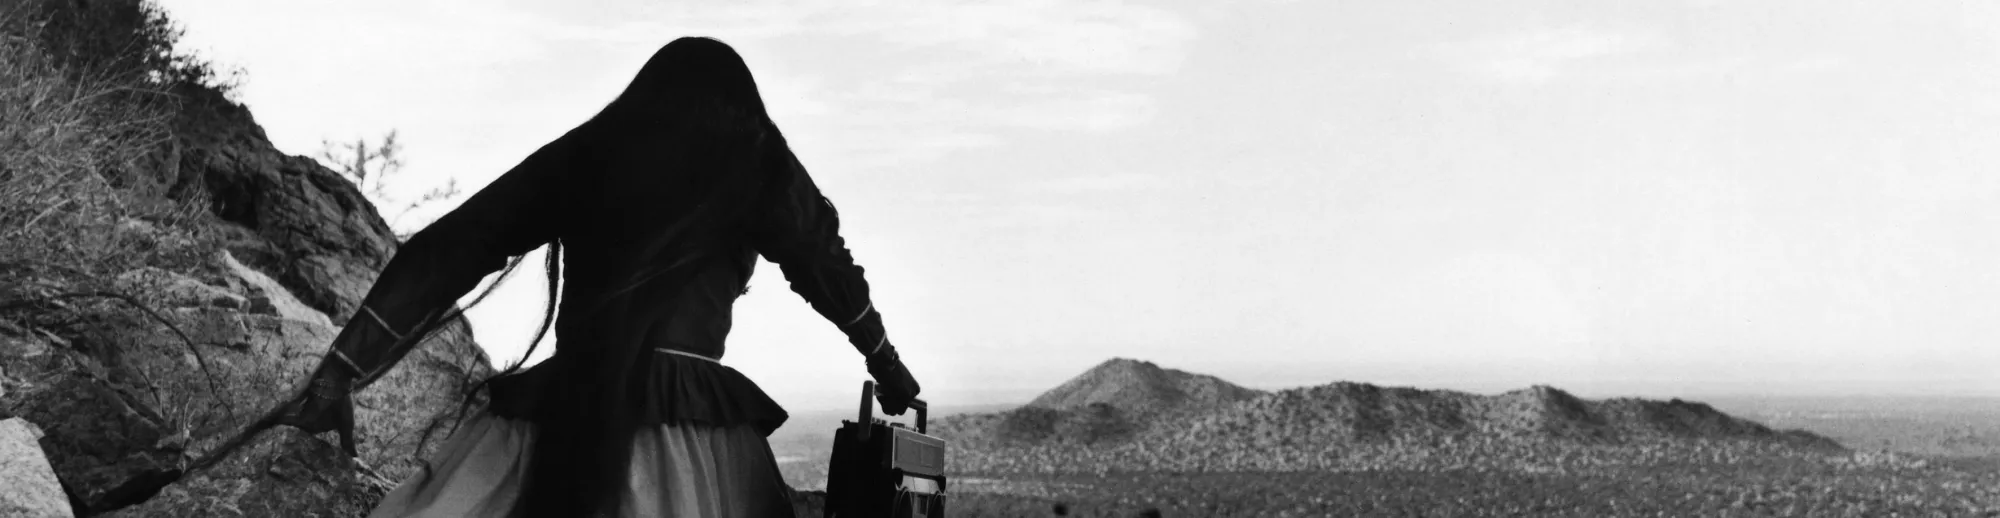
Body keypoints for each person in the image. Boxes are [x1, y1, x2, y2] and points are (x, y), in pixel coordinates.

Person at [271, 36, 922, 518]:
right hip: (697, 444)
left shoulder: (591, 151)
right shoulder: (753, 156)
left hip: (558, 412)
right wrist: (888, 368)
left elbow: (456, 246)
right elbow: (825, 265)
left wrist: (341, 371)